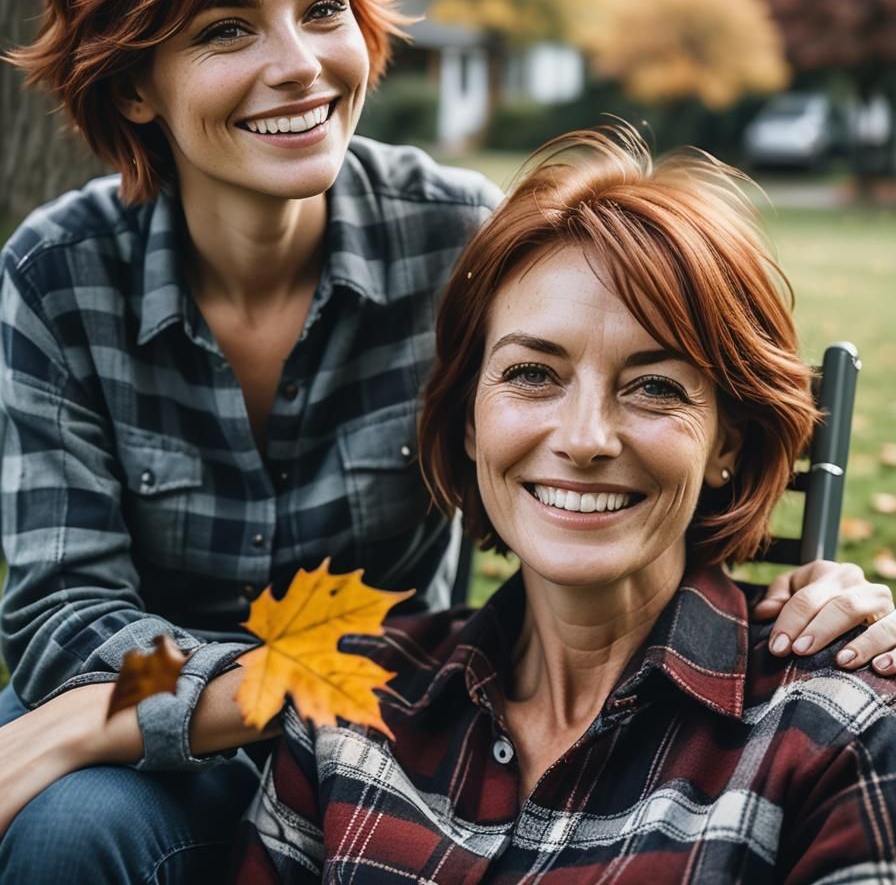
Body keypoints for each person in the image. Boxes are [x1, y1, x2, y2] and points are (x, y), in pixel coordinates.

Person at [0, 0, 892, 883]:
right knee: (70, 830)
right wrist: (205, 703)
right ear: (133, 78)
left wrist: (818, 599)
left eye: (321, 9)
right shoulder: (59, 280)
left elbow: (627, 433)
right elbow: (66, 619)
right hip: (157, 737)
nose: (299, 65)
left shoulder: (460, 243)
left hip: (392, 728)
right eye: (226, 28)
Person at [236, 127, 896, 884]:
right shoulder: (347, 705)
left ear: (727, 446)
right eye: (533, 374)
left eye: (655, 386)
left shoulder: (836, 725)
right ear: (470, 422)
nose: (585, 439)